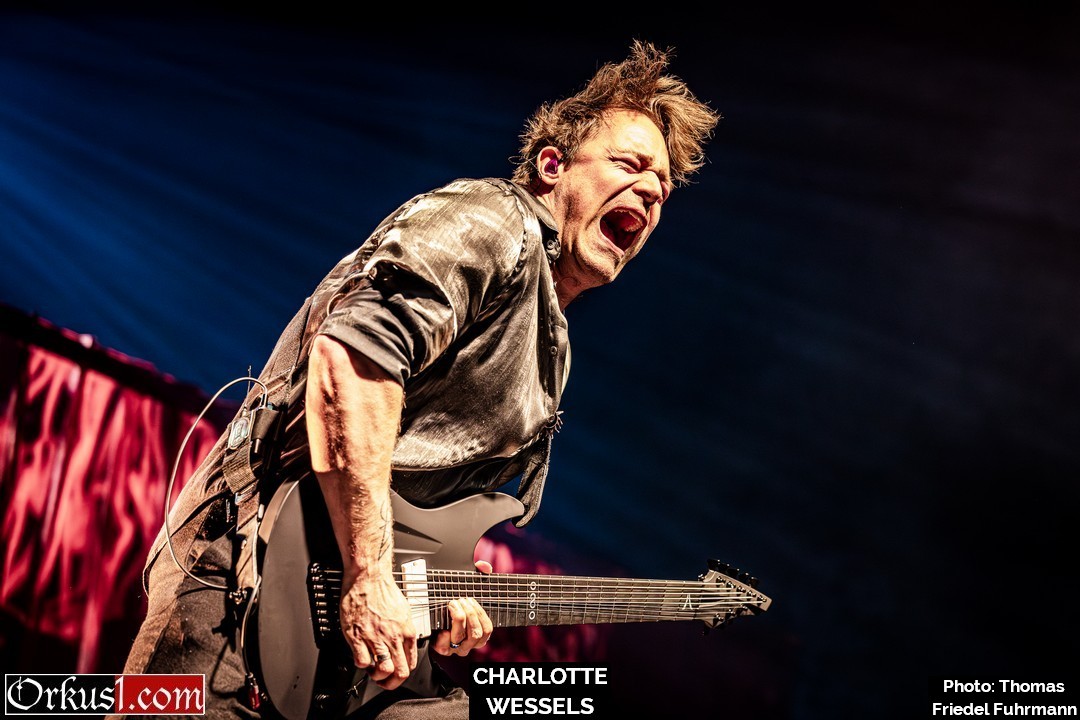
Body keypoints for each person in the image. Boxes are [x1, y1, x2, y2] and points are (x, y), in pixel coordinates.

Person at [115, 39, 719, 719]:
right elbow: (354, 359)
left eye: (663, 189)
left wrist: (445, 591)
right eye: (630, 164)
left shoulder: (552, 340)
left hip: (351, 628)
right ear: (552, 165)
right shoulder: (496, 219)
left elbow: (423, 503)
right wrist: (370, 573)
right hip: (244, 568)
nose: (652, 192)